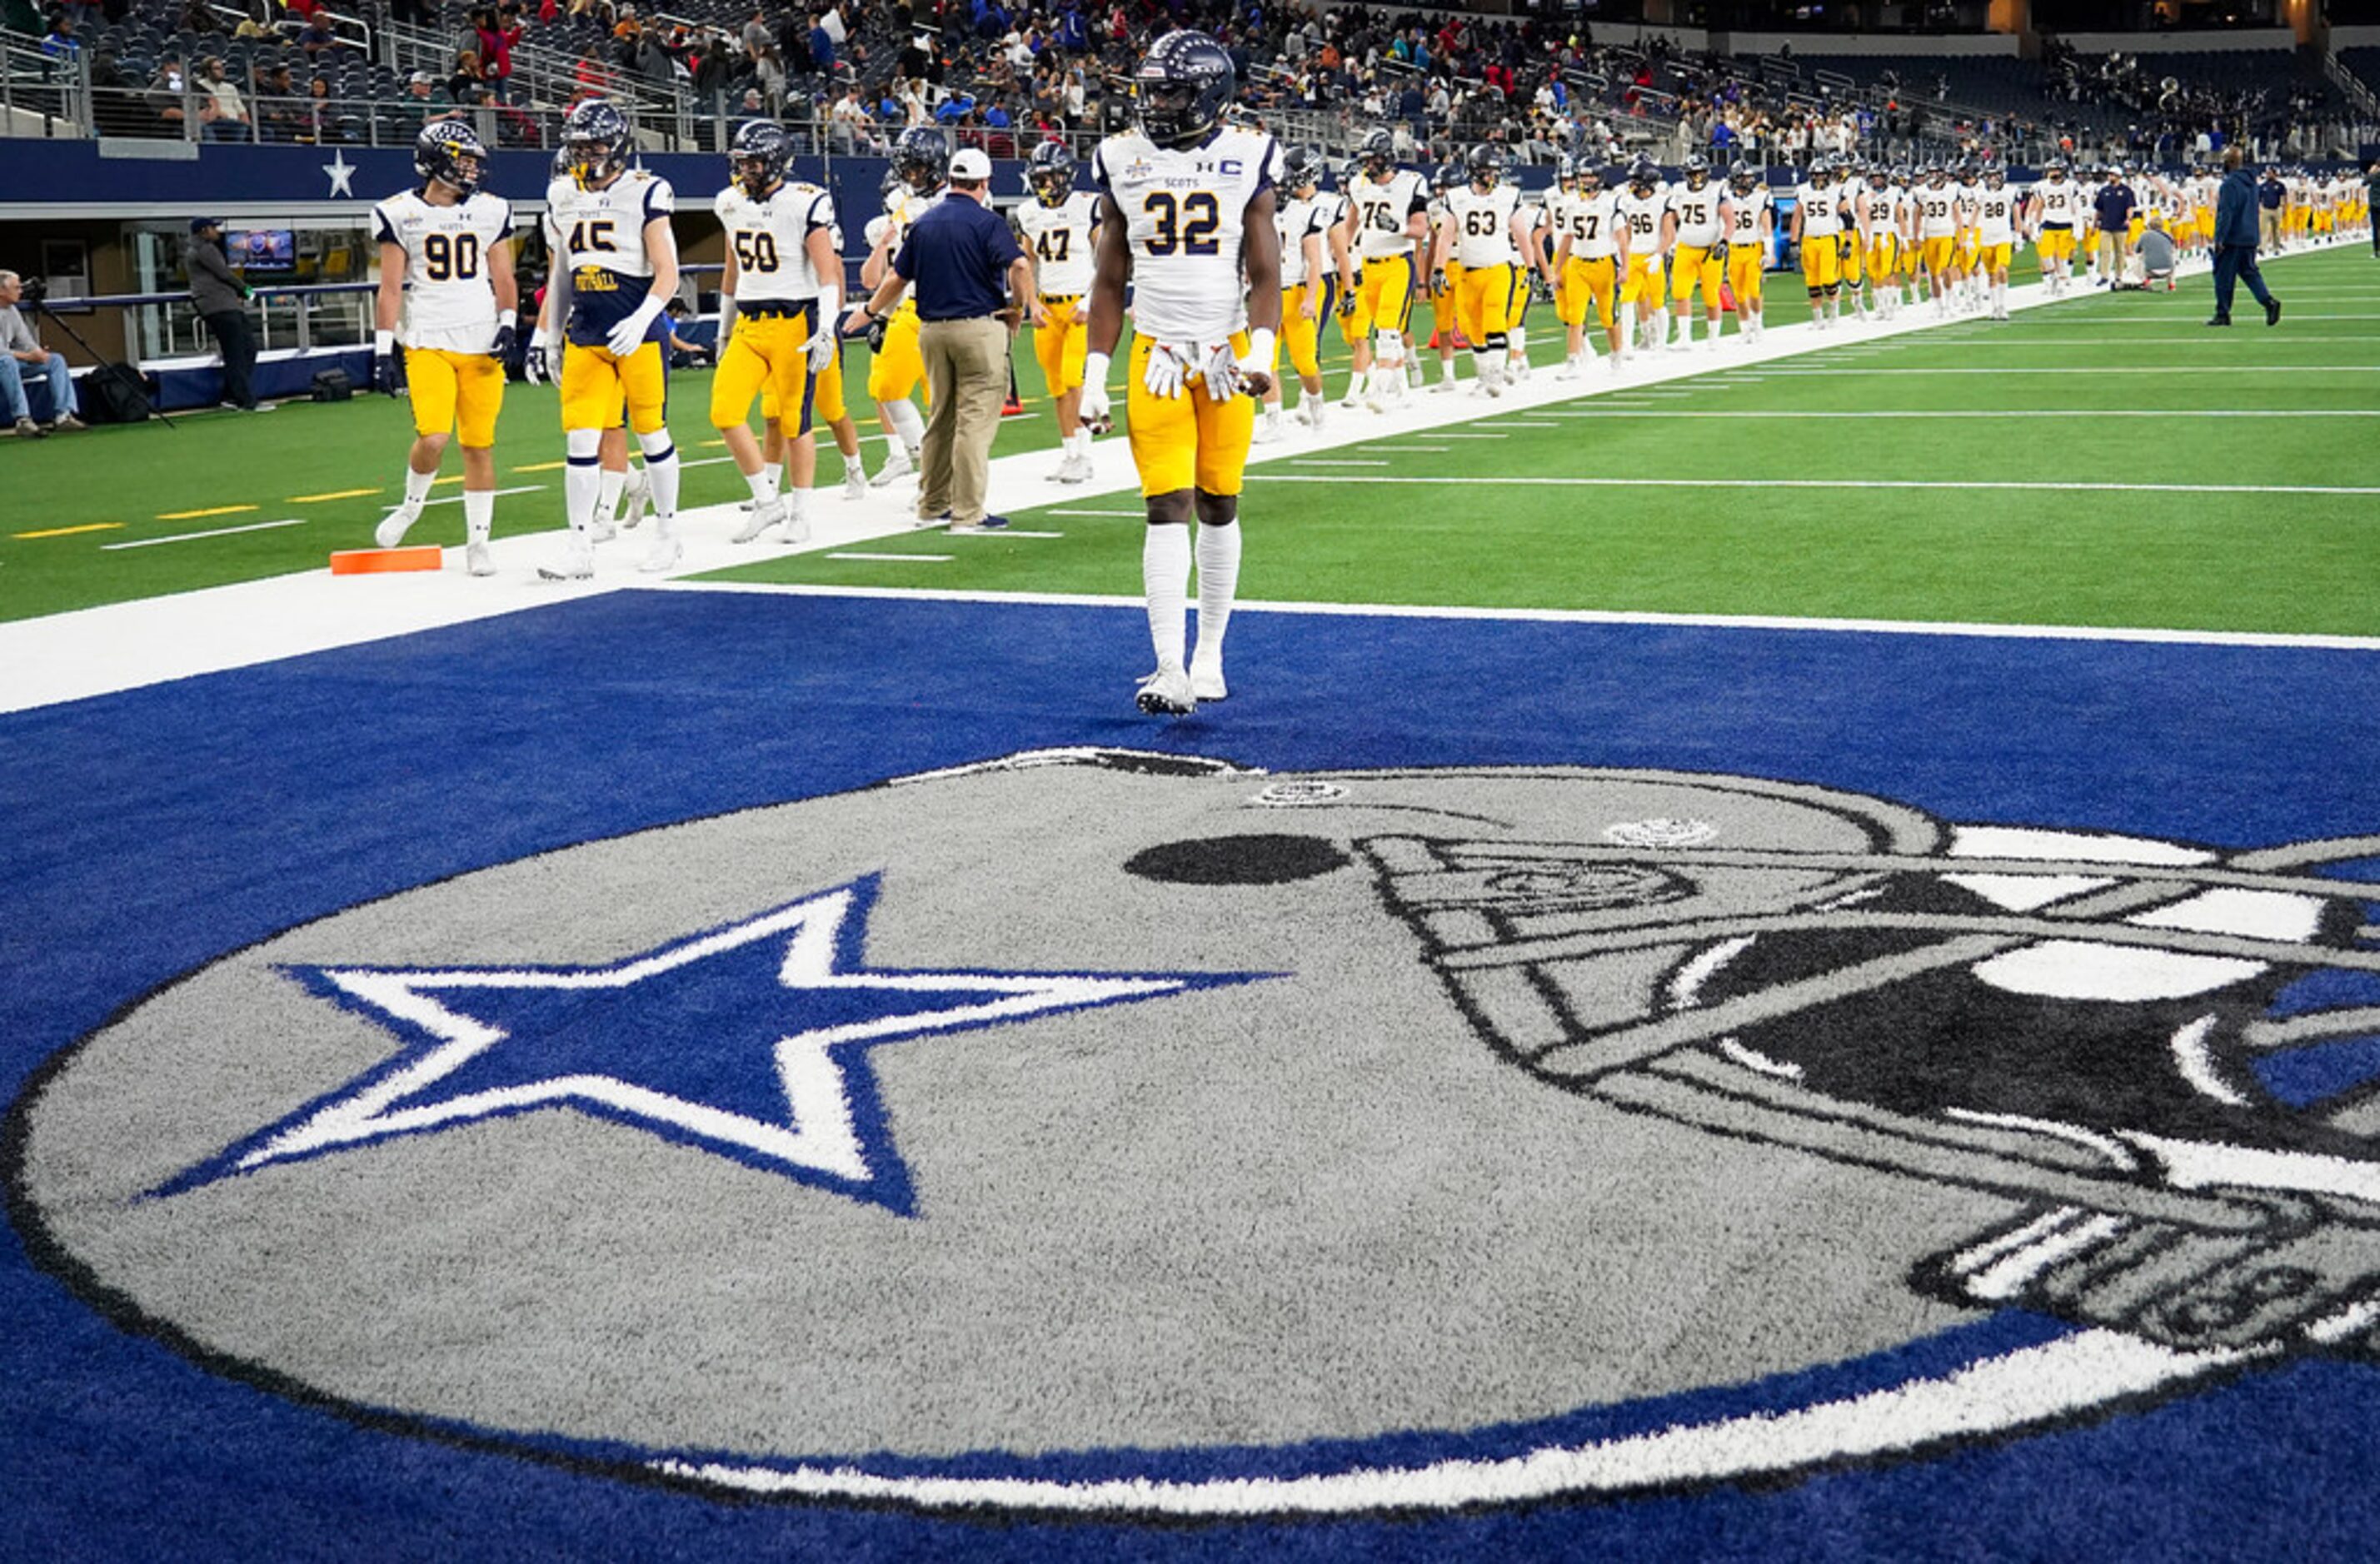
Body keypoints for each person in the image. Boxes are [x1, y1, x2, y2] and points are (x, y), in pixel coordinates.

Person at [1080, 28, 1281, 716]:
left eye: (1171, 90)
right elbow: (1109, 280)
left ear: (1210, 94)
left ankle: (1210, 652)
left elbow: (1264, 273)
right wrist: (1096, 374)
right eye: (1153, 88)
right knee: (1165, 504)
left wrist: (1259, 352)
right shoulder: (1119, 156)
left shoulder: (1248, 153)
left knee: (1219, 501)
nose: (1156, 101)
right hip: (1156, 351)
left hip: (1224, 354)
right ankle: (1169, 664)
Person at [531, 97, 686, 578]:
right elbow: (561, 274)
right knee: (580, 438)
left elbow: (669, 273)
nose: (586, 154)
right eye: (579, 146)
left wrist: (643, 320)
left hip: (635, 331)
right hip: (587, 331)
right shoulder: (562, 194)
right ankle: (578, 547)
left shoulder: (646, 190)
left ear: (618, 145)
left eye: (595, 144)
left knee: (651, 432)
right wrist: (548, 336)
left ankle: (668, 535)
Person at [846, 145, 1031, 534]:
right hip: (977, 326)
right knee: (973, 423)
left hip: (929, 329)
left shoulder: (925, 221)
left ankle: (931, 504)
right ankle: (968, 512)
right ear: (984, 183)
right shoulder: (986, 222)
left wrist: (870, 313)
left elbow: (896, 277)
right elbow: (1018, 264)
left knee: (939, 420)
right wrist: (1020, 306)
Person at [369, 120, 517, 575]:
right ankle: (412, 506)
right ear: (435, 161)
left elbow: (504, 275)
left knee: (479, 445)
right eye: (463, 161)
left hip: (480, 341)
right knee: (433, 437)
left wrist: (509, 323)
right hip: (428, 338)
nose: (472, 171)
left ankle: (478, 543)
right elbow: (390, 287)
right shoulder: (397, 211)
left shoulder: (491, 210)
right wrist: (381, 350)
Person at [711, 118, 839, 547]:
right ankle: (767, 501)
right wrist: (723, 330)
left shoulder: (804, 202)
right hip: (748, 323)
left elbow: (827, 274)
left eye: (754, 162)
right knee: (725, 411)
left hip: (795, 322)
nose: (746, 170)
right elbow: (732, 271)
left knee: (793, 422)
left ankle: (801, 512)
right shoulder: (729, 202)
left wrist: (826, 329)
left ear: (776, 162)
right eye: (742, 162)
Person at [1012, 139, 1101, 481]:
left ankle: (1085, 454)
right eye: (1040, 178)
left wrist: (1091, 302)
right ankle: (1069, 454)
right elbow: (1027, 262)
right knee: (1057, 387)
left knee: (1072, 379)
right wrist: (1030, 303)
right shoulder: (1029, 213)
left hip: (1080, 306)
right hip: (1049, 307)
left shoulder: (1088, 206)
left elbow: (1107, 256)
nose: (1045, 185)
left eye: (1051, 177)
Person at [1551, 157, 1627, 374]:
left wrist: (1625, 267)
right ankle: (1573, 362)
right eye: (1583, 175)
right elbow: (1566, 238)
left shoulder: (1611, 202)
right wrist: (1557, 269)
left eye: (1590, 175)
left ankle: (1616, 356)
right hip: (1578, 263)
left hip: (1604, 264)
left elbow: (1622, 237)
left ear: (1600, 177)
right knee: (1575, 315)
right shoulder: (1571, 203)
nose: (1586, 180)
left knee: (1608, 316)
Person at [187, 217, 267, 411]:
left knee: (247, 350)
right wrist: (245, 289)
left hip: (223, 305)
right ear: (204, 230)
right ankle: (246, 401)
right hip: (219, 306)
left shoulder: (199, 248)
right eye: (214, 228)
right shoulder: (204, 249)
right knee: (237, 354)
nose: (218, 231)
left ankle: (231, 396)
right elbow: (224, 273)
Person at [0, 271, 83, 437]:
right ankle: (23, 419)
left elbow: (25, 341)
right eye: (16, 287)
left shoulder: (12, 310)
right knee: (7, 361)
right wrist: (28, 357)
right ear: (2, 291)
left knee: (55, 360)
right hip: (4, 362)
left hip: (10, 362)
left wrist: (38, 353)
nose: (21, 291)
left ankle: (63, 416)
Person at [2208, 147, 2280, 328]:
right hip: (2250, 234)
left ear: (2230, 162)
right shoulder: (2252, 183)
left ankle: (2222, 313)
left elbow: (2227, 213)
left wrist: (2219, 239)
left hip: (2233, 237)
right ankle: (2268, 301)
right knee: (2250, 272)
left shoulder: (2230, 184)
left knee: (2224, 276)